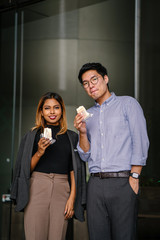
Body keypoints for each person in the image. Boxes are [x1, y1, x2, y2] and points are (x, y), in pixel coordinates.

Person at [74, 62, 149, 240]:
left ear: (106, 79)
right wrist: (82, 132)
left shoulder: (128, 104)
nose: (90, 85)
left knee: (124, 235)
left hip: (123, 182)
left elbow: (140, 140)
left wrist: (135, 176)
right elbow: (84, 155)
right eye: (85, 83)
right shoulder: (87, 116)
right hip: (95, 184)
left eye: (94, 79)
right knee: (97, 236)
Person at [11, 92, 86, 240]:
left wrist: (72, 198)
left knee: (58, 236)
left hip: (62, 189)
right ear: (41, 111)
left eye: (56, 107)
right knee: (34, 235)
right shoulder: (31, 135)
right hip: (36, 188)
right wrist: (39, 152)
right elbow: (25, 170)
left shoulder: (72, 137)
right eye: (47, 108)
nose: (52, 112)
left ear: (62, 111)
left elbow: (74, 170)